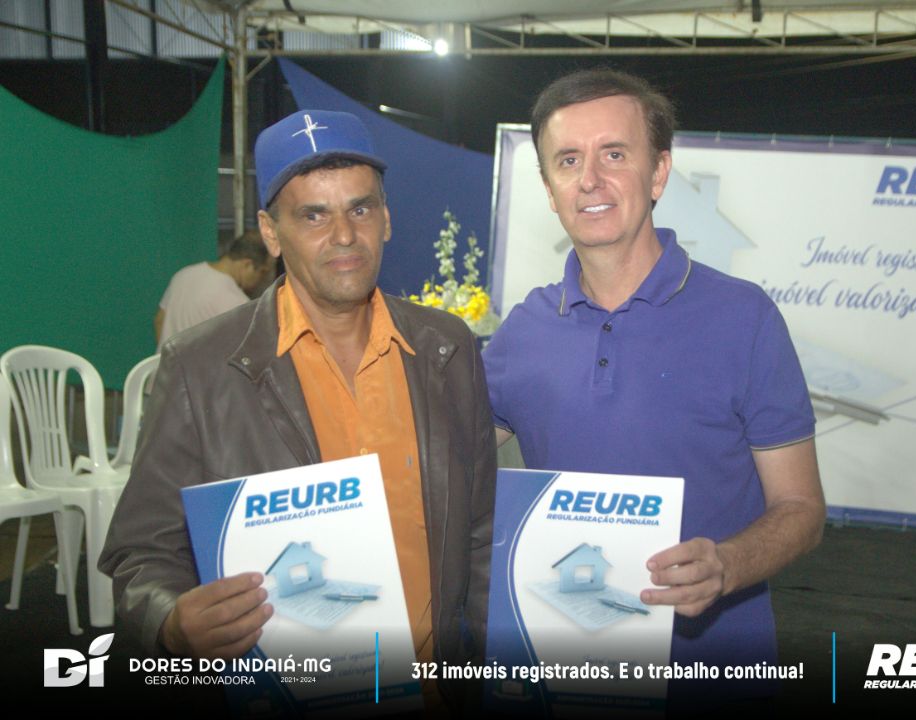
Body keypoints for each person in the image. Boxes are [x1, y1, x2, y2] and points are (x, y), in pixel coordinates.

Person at [100, 109, 496, 710]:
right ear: (270, 232)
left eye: (360, 209)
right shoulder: (200, 368)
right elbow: (141, 551)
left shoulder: (447, 348)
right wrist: (173, 622)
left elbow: (482, 530)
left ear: (386, 218)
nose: (344, 236)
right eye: (313, 215)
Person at [481, 69, 826, 708]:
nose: (590, 179)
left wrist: (728, 565)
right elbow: (440, 463)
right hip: (569, 674)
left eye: (614, 154)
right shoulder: (523, 332)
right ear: (549, 189)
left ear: (659, 172)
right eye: (568, 160)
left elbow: (802, 510)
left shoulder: (745, 317)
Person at [154, 229, 275, 349]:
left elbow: (159, 320)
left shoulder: (183, 275)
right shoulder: (237, 302)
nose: (262, 280)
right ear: (247, 264)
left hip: (165, 360)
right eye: (262, 272)